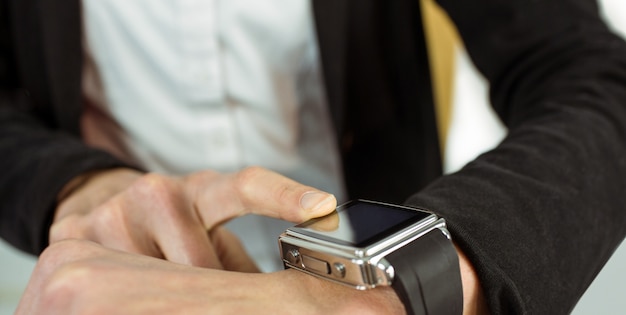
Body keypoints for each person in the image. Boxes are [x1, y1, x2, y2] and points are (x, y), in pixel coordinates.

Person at [1, 0, 625, 313]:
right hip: (119, 284)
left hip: (377, 271)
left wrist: (401, 290)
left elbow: (597, 81)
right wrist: (77, 185)